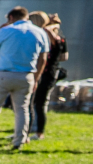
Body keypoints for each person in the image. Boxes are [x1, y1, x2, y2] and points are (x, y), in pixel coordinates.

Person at [0, 7, 46, 152]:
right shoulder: (40, 32)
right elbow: (43, 58)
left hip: (4, 73)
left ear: (10, 17)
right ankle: (19, 142)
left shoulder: (7, 30)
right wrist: (36, 78)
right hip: (26, 74)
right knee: (22, 109)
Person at [26, 13, 68, 141]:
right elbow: (64, 57)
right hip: (49, 73)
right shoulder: (62, 40)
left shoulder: (54, 39)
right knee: (35, 104)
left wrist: (50, 22)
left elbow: (45, 30)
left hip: (46, 74)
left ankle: (38, 132)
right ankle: (28, 130)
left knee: (37, 104)